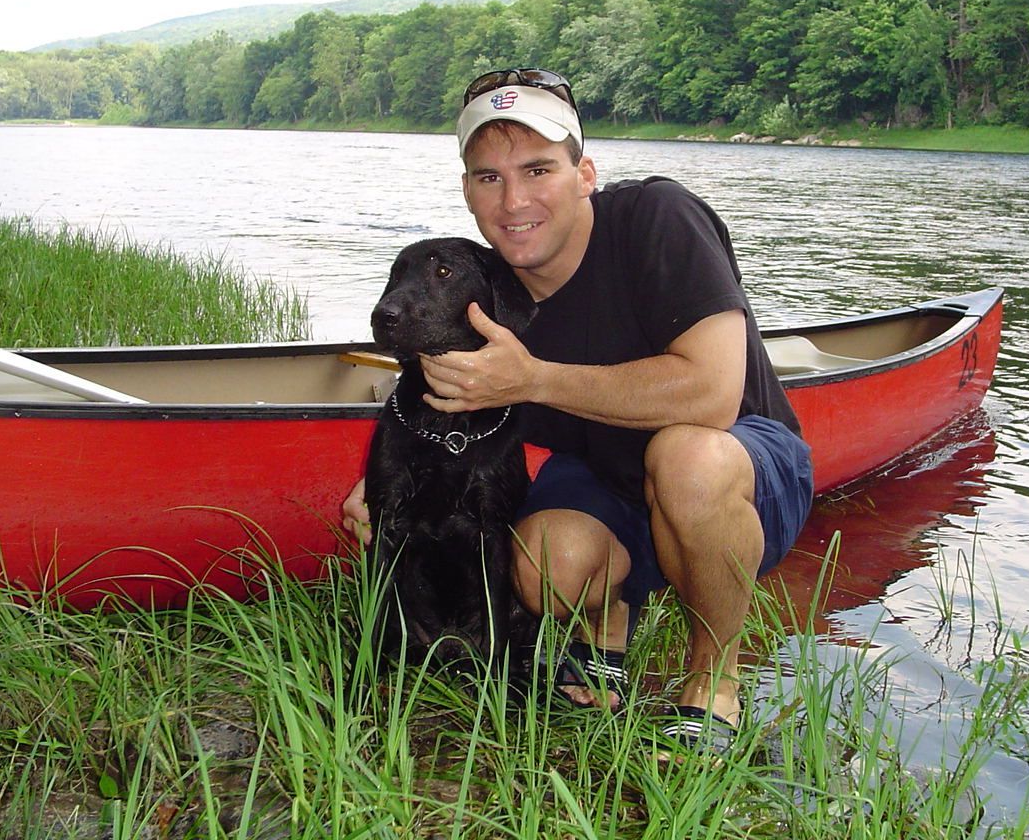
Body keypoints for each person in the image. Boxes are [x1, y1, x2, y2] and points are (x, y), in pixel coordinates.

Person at [344, 67, 814, 753]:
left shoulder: (658, 219)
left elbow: (712, 396)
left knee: (686, 457)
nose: (514, 200)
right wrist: (388, 477)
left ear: (584, 172)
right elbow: (451, 411)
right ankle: (608, 623)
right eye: (488, 178)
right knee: (541, 564)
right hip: (604, 475)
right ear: (467, 191)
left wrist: (532, 379)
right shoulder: (484, 290)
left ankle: (713, 681)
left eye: (538, 170)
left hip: (735, 457)